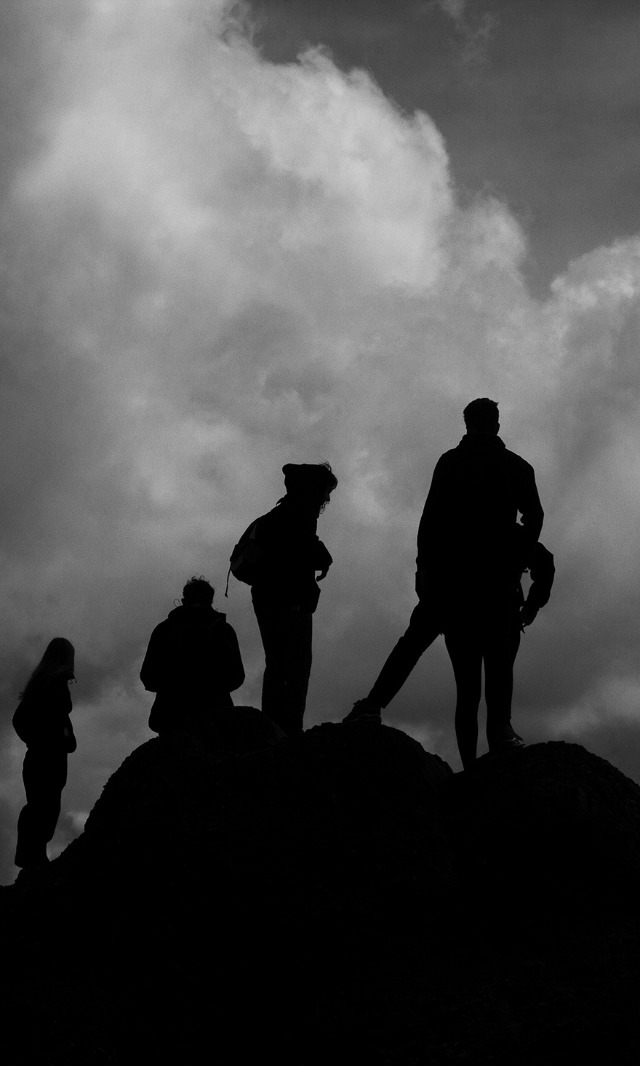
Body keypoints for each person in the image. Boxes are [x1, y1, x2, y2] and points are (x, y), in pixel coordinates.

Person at [344, 398, 545, 752]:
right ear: (497, 424)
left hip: (449, 576)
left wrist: (425, 569)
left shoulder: (451, 462)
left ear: (467, 424)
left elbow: (430, 520)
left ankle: (373, 705)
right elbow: (535, 518)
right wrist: (515, 561)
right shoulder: (516, 466)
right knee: (496, 664)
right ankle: (501, 733)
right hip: (495, 581)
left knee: (429, 654)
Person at [443, 526, 554, 770]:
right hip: (495, 614)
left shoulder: (456, 528)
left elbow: (545, 562)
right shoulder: (506, 530)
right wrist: (532, 605)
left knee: (470, 692)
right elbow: (545, 562)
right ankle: (496, 749)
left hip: (463, 615)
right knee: (495, 684)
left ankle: (473, 765)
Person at [248, 463, 338, 736]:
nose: (327, 498)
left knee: (276, 665)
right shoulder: (302, 513)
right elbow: (299, 552)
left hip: (265, 597)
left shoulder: (280, 513)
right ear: (314, 488)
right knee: (297, 668)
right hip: (290, 601)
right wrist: (322, 556)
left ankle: (271, 729)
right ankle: (289, 733)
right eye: (326, 490)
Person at [140, 577, 245, 736]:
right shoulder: (223, 630)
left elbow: (148, 677)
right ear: (210, 600)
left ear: (184, 600)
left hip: (171, 719)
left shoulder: (163, 630)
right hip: (216, 719)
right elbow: (237, 677)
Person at [13, 637, 77, 869]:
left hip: (40, 757)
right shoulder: (53, 685)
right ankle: (33, 859)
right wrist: (53, 740)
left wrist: (36, 741)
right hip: (49, 759)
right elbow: (24, 721)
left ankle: (32, 858)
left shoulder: (39, 684)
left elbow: (20, 720)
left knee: (40, 806)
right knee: (44, 808)